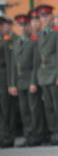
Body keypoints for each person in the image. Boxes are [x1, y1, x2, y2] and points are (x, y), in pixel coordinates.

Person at [8, 14, 45, 147]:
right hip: (20, 81)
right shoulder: (16, 43)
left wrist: (34, 82)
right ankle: (28, 135)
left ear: (29, 26)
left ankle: (37, 135)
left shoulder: (34, 41)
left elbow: (36, 64)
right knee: (24, 111)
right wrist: (12, 83)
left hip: (30, 80)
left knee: (34, 109)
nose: (23, 28)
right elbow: (12, 65)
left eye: (25, 25)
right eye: (20, 25)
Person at [35, 4, 58, 145]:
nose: (44, 19)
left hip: (55, 75)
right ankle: (54, 132)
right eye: (42, 16)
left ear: (51, 17)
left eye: (47, 16)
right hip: (44, 75)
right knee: (48, 107)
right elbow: (39, 57)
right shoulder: (41, 34)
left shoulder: (57, 32)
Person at [0, 17, 15, 147]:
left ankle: (7, 137)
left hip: (3, 78)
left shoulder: (5, 41)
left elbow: (10, 64)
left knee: (6, 109)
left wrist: (11, 83)